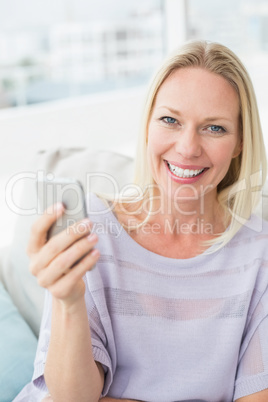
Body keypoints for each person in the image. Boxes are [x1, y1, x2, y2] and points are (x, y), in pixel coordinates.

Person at [14, 40, 268, 402]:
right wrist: (68, 302)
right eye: (170, 120)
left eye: (214, 128)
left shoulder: (260, 256)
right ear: (147, 125)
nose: (187, 147)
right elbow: (72, 398)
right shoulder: (90, 230)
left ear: (240, 141)